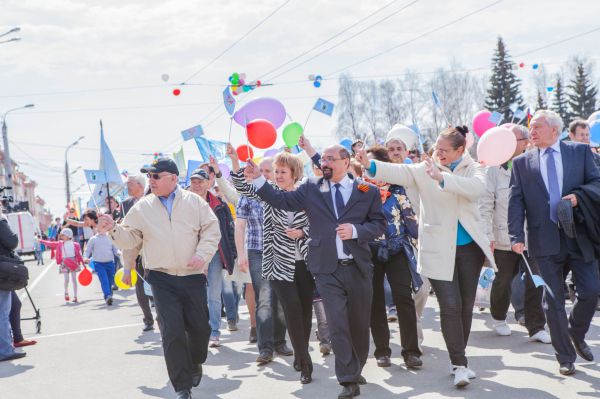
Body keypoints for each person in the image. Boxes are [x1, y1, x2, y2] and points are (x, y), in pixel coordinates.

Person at [358, 126, 496, 387]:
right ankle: (459, 364)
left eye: (445, 150)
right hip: (436, 248)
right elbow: (400, 171)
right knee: (450, 306)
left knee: (465, 307)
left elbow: (476, 189)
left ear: (460, 150)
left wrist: (442, 178)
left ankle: (460, 355)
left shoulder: (475, 168)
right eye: (437, 149)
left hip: (469, 250)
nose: (438, 154)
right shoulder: (424, 168)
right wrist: (371, 165)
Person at [245, 144, 386, 399]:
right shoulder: (312, 187)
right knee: (337, 323)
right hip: (326, 269)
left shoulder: (367, 190)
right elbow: (281, 199)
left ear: (346, 161)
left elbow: (378, 224)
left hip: (358, 268)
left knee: (358, 324)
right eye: (324, 159)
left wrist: (356, 231)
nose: (325, 163)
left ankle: (356, 364)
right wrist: (257, 179)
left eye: (331, 158)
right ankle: (347, 379)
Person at [98, 157, 221, 399]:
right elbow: (130, 239)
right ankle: (182, 387)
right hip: (161, 278)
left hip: (193, 275)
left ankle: (195, 361)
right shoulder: (143, 207)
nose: (150, 181)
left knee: (200, 330)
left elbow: (211, 229)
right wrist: (113, 228)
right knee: (172, 332)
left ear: (173, 179)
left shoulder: (194, 202)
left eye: (156, 176)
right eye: (149, 176)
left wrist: (202, 254)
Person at [508, 110, 600, 376]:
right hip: (542, 239)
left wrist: (577, 197)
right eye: (530, 127)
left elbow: (597, 182)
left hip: (579, 234)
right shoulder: (523, 162)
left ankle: (576, 331)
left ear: (554, 130)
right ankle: (565, 356)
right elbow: (516, 201)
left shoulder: (580, 153)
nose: (531, 132)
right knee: (553, 300)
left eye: (536, 127)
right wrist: (515, 236)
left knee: (591, 291)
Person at [232, 151, 314, 384]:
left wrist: (303, 232)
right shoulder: (267, 193)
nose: (277, 175)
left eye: (282, 172)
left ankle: (300, 352)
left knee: (305, 312)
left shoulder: (307, 194)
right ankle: (306, 363)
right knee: (292, 309)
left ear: (294, 174)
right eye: (275, 171)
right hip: (277, 263)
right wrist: (242, 169)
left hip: (305, 263)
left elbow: (321, 223)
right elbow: (242, 186)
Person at [479, 124, 550, 343]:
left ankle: (536, 325)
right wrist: (487, 235)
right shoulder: (493, 170)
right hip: (503, 237)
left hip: (532, 236)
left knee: (535, 281)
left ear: (525, 143)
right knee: (502, 280)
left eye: (516, 139)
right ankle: (499, 317)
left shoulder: (535, 165)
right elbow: (485, 205)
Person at [364, 145, 423, 370]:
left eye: (372, 165)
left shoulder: (399, 189)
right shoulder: (361, 190)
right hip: (370, 251)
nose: (368, 169)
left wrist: (422, 241)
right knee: (375, 300)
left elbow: (410, 219)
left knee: (403, 298)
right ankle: (382, 351)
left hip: (397, 249)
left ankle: (411, 352)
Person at [235, 157, 292, 364]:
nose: (268, 174)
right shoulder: (248, 195)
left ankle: (280, 342)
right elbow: (240, 226)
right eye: (264, 170)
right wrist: (241, 254)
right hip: (258, 251)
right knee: (265, 300)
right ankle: (265, 347)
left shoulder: (282, 194)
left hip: (282, 251)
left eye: (271, 170)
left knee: (282, 299)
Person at [383, 130, 429, 347]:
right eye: (391, 149)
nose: (395, 153)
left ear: (407, 152)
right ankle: (414, 337)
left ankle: (414, 319)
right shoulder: (381, 175)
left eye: (399, 149)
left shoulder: (415, 174)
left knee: (423, 287)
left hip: (419, 237)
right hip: (395, 242)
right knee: (405, 291)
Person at [209, 151, 257, 343]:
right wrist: (220, 172)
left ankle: (273, 327)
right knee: (251, 287)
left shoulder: (271, 192)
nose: (248, 177)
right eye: (245, 174)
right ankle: (254, 326)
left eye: (251, 173)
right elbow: (229, 190)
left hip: (273, 249)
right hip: (249, 248)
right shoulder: (241, 197)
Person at [188, 168, 237, 348]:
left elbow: (228, 231)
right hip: (190, 254)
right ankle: (198, 331)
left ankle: (214, 331)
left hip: (214, 253)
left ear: (208, 183)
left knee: (214, 294)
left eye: (200, 181)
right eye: (194, 181)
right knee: (194, 294)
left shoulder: (219, 204)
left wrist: (232, 255)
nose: (197, 185)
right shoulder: (183, 203)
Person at [121, 174, 155, 332]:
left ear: (140, 185)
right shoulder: (125, 204)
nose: (127, 187)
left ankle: (162, 314)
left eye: (130, 184)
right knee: (140, 288)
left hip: (154, 250)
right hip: (137, 254)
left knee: (157, 286)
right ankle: (148, 319)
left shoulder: (153, 199)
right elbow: (125, 230)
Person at [0, 208, 27, 362]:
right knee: (3, 312)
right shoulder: (0, 222)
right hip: (3, 270)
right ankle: (5, 351)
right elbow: (12, 242)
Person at [40, 228, 85, 303]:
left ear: (68, 235)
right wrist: (41, 241)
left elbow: (80, 255)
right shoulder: (60, 243)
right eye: (61, 235)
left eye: (63, 235)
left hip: (73, 262)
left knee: (74, 280)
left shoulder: (76, 244)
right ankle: (66, 292)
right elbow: (50, 244)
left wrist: (83, 263)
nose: (61, 237)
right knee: (66, 280)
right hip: (64, 262)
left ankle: (75, 296)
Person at [84, 229, 120, 305]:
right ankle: (107, 296)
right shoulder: (93, 239)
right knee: (104, 280)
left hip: (110, 263)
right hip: (98, 264)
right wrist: (85, 257)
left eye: (103, 226)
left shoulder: (110, 237)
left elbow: (115, 249)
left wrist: (118, 253)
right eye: (99, 226)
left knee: (110, 280)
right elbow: (87, 250)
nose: (100, 228)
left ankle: (109, 293)